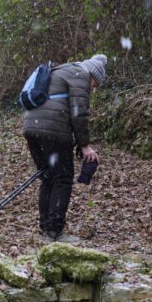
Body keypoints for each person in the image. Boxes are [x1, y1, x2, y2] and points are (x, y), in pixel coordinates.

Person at [22, 54, 107, 243]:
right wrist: (85, 146)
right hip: (53, 130)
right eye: (95, 84)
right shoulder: (81, 75)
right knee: (63, 178)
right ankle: (54, 231)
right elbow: (79, 113)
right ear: (94, 75)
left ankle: (45, 228)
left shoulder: (62, 70)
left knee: (48, 177)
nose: (93, 88)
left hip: (30, 126)